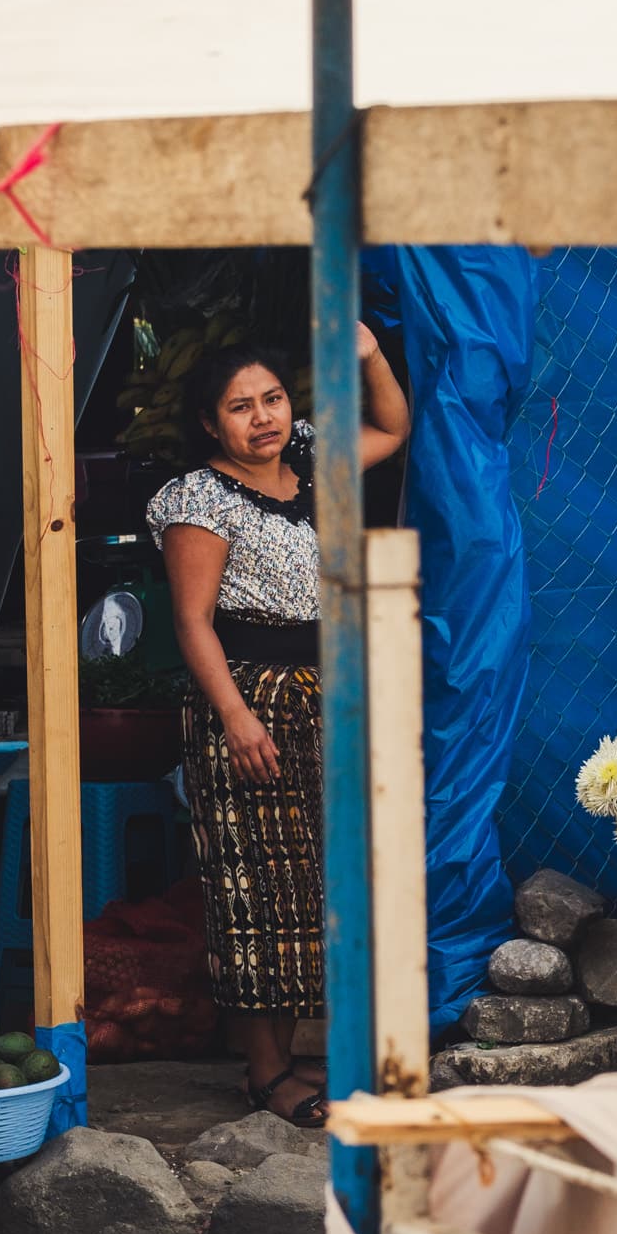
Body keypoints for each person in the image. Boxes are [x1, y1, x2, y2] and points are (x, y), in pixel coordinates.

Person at [147, 327, 408, 1125]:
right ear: (209, 424)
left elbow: (394, 426)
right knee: (258, 891)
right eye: (239, 408)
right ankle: (267, 1072)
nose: (261, 418)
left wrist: (365, 356)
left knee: (316, 886)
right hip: (251, 701)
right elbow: (193, 622)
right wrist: (235, 717)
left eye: (271, 399)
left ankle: (302, 1054)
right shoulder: (199, 498)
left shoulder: (313, 462)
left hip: (326, 692)